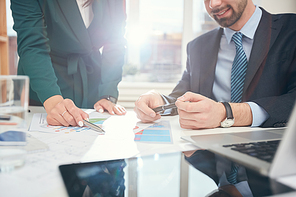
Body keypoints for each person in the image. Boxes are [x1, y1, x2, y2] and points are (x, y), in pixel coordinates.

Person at [134, 0, 296, 129]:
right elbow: (182, 96)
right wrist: (160, 101)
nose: (213, 4)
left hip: (274, 149)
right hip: (211, 156)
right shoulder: (198, 47)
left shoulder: (291, 28)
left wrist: (227, 113)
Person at [10, 0, 127, 127]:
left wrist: (107, 94)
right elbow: (32, 46)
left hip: (92, 84)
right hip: (43, 83)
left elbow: (115, 43)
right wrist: (53, 102)